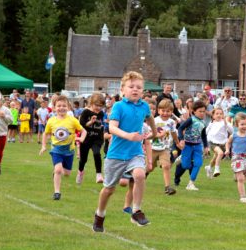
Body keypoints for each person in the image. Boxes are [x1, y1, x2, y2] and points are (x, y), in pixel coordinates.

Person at [92, 71, 156, 232]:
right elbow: (112, 127)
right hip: (116, 155)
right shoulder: (119, 106)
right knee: (109, 189)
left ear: (143, 91)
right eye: (131, 86)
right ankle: (99, 214)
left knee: (140, 175)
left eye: (139, 87)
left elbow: (150, 118)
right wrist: (128, 135)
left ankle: (136, 210)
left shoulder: (144, 106)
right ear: (123, 89)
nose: (135, 89)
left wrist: (154, 132)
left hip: (135, 153)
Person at [39, 95, 86, 200]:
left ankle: (57, 171)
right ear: (54, 108)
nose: (61, 108)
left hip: (69, 150)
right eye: (58, 106)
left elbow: (83, 131)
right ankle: (57, 192)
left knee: (67, 173)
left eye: (64, 106)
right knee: (58, 170)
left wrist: (82, 138)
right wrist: (43, 146)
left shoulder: (73, 120)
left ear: (68, 107)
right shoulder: (51, 120)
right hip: (56, 149)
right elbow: (46, 134)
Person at [225, 112, 246, 203]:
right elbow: (228, 143)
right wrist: (227, 150)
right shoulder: (234, 135)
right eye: (242, 124)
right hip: (237, 158)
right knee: (241, 179)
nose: (244, 126)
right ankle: (243, 197)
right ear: (237, 125)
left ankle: (237, 174)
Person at [175, 100, 208, 191]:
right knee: (186, 165)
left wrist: (206, 146)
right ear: (194, 111)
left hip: (197, 146)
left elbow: (203, 135)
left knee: (198, 163)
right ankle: (182, 158)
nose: (202, 113)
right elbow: (180, 128)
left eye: (203, 111)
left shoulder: (204, 122)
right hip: (187, 145)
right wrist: (181, 139)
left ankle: (191, 183)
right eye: (200, 111)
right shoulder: (191, 119)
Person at [150, 99, 179, 194]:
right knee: (149, 167)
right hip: (153, 147)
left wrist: (177, 142)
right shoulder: (154, 121)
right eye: (163, 111)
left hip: (165, 148)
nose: (165, 113)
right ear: (158, 110)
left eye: (168, 111)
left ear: (171, 111)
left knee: (166, 166)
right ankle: (141, 176)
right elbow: (149, 133)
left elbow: (174, 133)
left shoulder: (171, 122)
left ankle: (167, 187)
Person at [77, 93, 105, 185]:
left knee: (97, 153)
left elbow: (100, 124)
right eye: (96, 105)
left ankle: (99, 174)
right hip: (86, 138)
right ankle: (80, 172)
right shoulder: (85, 112)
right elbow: (81, 125)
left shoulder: (101, 113)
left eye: (100, 106)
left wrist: (103, 126)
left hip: (97, 138)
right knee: (83, 160)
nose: (98, 108)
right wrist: (90, 122)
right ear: (91, 103)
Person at [205, 108, 232, 179]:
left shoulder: (225, 123)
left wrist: (227, 124)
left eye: (221, 114)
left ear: (223, 115)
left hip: (222, 144)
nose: (219, 115)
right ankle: (216, 170)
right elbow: (206, 132)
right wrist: (206, 145)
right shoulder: (211, 123)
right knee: (220, 153)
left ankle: (209, 167)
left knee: (216, 157)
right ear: (213, 115)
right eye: (217, 114)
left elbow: (231, 131)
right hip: (213, 143)